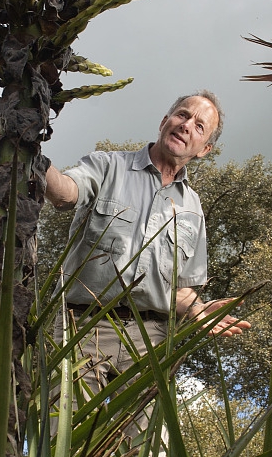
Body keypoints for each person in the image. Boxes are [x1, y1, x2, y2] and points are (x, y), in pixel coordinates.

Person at [44, 91, 251, 411]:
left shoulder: (193, 208)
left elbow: (180, 289)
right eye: (182, 115)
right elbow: (65, 193)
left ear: (204, 150)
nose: (186, 125)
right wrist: (31, 154)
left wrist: (198, 309)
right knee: (65, 444)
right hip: (82, 327)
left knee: (142, 454)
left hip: (151, 340)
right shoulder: (108, 165)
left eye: (199, 126)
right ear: (164, 121)